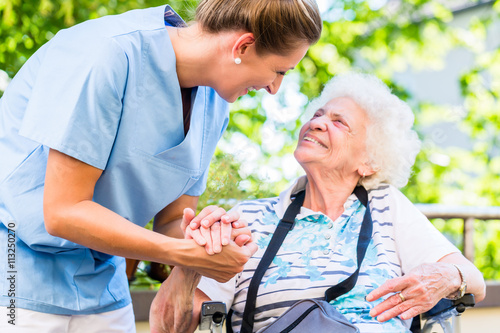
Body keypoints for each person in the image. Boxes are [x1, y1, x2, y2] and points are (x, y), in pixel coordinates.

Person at [0, 1, 322, 332]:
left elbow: (170, 221)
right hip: (15, 277)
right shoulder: (105, 53)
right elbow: (63, 212)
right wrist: (185, 254)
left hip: (102, 288)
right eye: (280, 70)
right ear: (242, 46)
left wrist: (208, 238)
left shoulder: (213, 104)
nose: (275, 88)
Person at [155, 72, 486, 333]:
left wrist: (445, 276)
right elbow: (168, 327)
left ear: (370, 161)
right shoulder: (249, 219)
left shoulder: (387, 206)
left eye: (339, 122)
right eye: (317, 114)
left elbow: (473, 281)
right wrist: (188, 266)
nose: (317, 122)